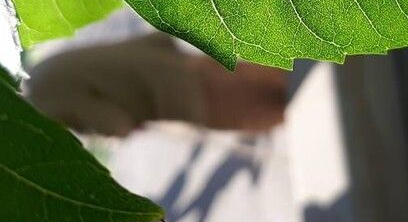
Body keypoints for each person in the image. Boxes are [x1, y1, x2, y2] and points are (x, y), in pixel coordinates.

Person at [26, 33, 287, 136]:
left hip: (179, 96)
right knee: (274, 79)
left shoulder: (42, 105)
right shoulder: (38, 73)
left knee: (277, 109)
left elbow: (113, 122)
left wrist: (118, 132)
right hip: (165, 58)